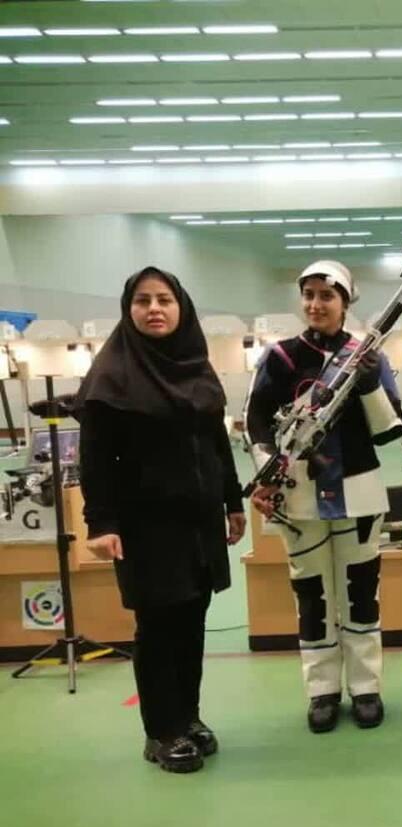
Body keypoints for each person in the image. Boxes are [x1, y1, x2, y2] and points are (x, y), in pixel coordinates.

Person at [76, 266, 245, 774]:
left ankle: (187, 717)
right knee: (157, 624)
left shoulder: (196, 366)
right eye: (144, 300)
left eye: (165, 299)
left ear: (181, 308)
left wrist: (232, 502)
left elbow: (217, 443)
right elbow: (96, 459)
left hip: (197, 521)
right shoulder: (111, 376)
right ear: (128, 310)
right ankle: (161, 730)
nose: (155, 309)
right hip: (145, 526)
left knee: (192, 619)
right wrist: (100, 522)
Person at [246, 260, 402, 734]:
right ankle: (321, 690)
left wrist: (372, 380)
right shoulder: (281, 357)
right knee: (313, 598)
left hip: (360, 495)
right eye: (309, 295)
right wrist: (268, 471)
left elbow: (389, 430)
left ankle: (366, 687)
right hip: (299, 496)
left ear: (345, 302)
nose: (316, 304)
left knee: (360, 596)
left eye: (327, 296)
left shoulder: (368, 355)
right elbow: (255, 422)